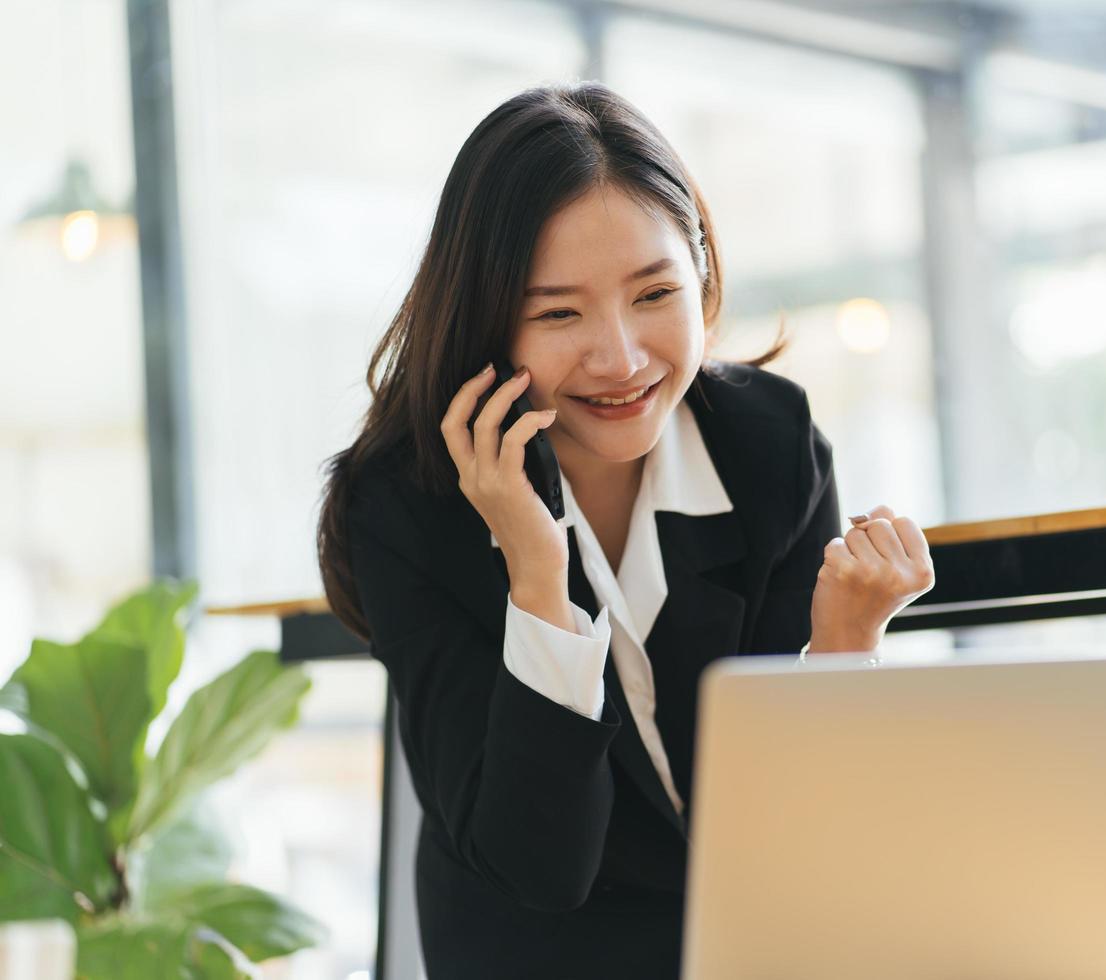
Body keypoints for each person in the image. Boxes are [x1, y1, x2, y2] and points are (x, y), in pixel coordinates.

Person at [316, 81, 935, 978]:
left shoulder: (768, 448)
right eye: (558, 312)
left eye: (654, 294)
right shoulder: (410, 508)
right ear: (488, 319)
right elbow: (539, 864)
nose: (621, 358)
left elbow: (795, 836)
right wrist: (537, 572)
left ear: (702, 274)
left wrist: (843, 644)